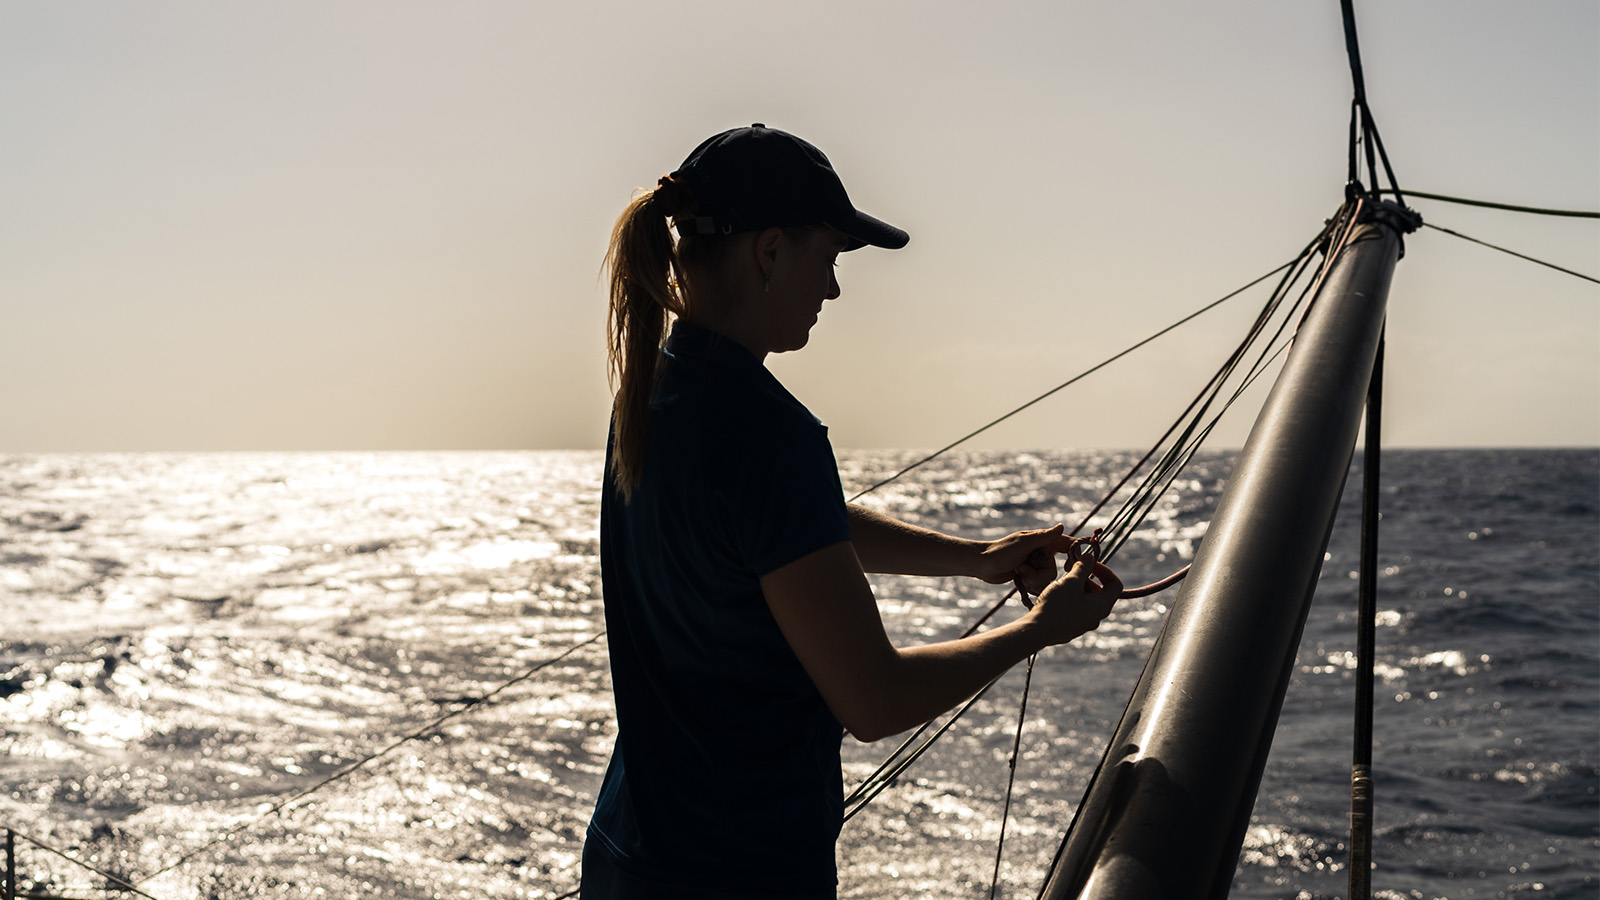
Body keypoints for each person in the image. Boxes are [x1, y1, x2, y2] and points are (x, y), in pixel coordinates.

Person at [582, 124, 1122, 899]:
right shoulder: (769, 433)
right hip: (739, 877)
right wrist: (1040, 629)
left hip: (629, 856)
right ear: (770, 251)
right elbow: (875, 699)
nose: (832, 289)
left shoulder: (655, 393)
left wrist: (973, 558)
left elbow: (786, 531)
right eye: (828, 258)